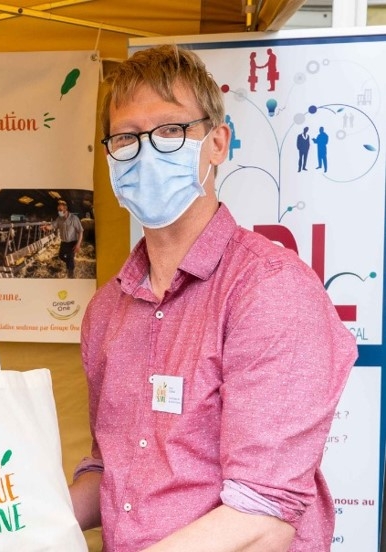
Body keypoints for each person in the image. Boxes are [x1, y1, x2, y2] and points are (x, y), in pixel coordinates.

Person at [70, 44, 356, 552]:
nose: (147, 152)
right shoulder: (106, 312)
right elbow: (110, 473)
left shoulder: (270, 291)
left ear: (217, 143)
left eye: (170, 131)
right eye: (127, 138)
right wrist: (11, 520)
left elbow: (262, 518)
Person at [51, 199, 83, 278]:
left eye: (60, 210)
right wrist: (47, 227)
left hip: (72, 242)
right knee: (61, 256)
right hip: (64, 242)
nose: (59, 211)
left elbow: (80, 231)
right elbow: (53, 225)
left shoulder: (74, 218)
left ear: (65, 209)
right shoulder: (59, 218)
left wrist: (78, 244)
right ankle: (69, 264)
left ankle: (70, 274)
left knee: (70, 257)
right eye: (58, 210)